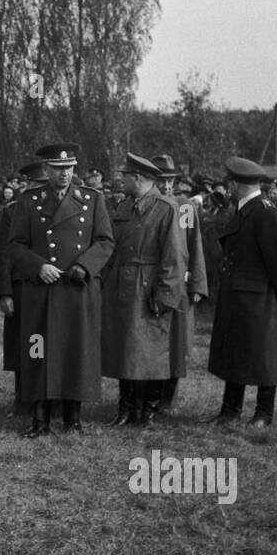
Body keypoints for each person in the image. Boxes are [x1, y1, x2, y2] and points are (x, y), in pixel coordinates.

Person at [6, 142, 114, 437]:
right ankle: (40, 420)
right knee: (38, 351)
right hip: (41, 291)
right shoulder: (29, 201)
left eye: (68, 168)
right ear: (45, 170)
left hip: (77, 290)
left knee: (75, 352)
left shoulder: (92, 200)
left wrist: (84, 266)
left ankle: (73, 421)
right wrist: (38, 265)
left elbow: (105, 241)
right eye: (57, 169)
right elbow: (15, 245)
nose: (64, 174)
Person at [206, 157, 277, 429]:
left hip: (258, 296)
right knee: (237, 353)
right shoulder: (247, 209)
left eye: (230, 183)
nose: (228, 188)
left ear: (236, 184)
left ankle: (263, 413)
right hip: (240, 293)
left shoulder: (264, 212)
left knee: (264, 355)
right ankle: (230, 410)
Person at [99, 154, 187, 427]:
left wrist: (165, 294)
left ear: (138, 178)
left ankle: (147, 411)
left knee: (152, 352)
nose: (121, 179)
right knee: (125, 349)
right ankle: (125, 409)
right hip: (122, 286)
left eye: (125, 175)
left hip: (149, 287)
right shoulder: (124, 205)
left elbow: (175, 257)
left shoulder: (166, 208)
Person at [153, 154, 207, 416]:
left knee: (178, 343)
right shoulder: (146, 206)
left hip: (181, 286)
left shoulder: (185, 207)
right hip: (153, 284)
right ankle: (148, 394)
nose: (166, 186)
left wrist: (197, 284)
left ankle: (168, 397)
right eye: (161, 181)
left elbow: (195, 247)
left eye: (170, 181)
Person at [0, 161, 45, 418]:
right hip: (20, 288)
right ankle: (22, 399)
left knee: (44, 344)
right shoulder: (13, 211)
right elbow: (4, 254)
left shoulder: (58, 210)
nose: (34, 190)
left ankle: (47, 400)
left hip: (47, 288)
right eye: (31, 185)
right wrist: (5, 293)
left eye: (40, 185)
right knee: (21, 346)